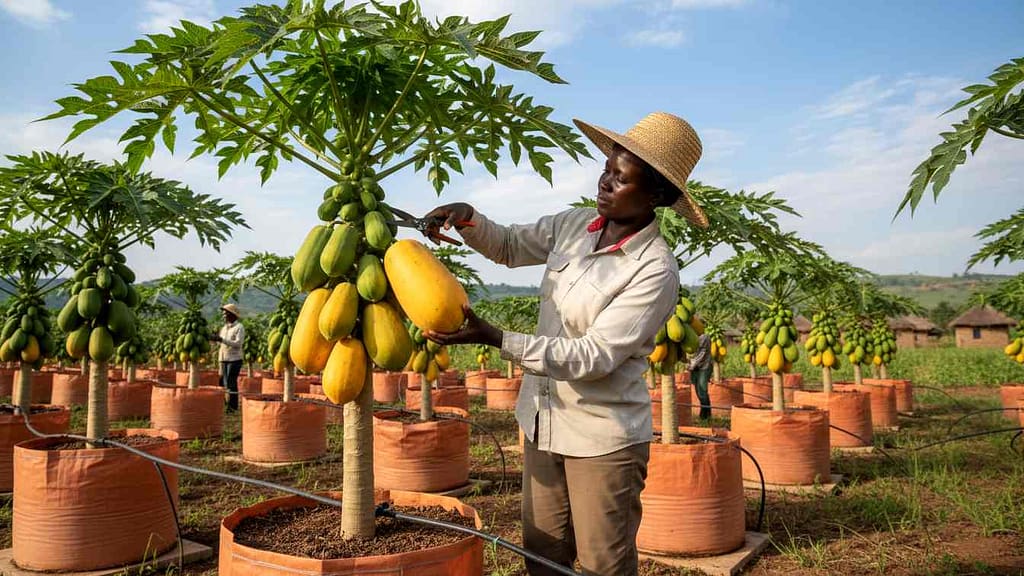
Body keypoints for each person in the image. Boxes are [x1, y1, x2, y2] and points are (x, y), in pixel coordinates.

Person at [422, 112, 706, 576]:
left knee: (602, 565)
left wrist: (497, 338)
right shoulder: (574, 225)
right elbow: (511, 246)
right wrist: (467, 217)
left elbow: (595, 356)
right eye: (607, 170)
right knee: (542, 554)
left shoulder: (655, 269)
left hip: (602, 439)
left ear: (655, 196)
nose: (605, 183)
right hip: (542, 421)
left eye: (621, 178)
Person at [210, 303, 245, 411]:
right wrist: (215, 339)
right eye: (223, 314)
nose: (223, 316)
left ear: (232, 314)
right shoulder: (224, 328)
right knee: (222, 382)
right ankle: (225, 404)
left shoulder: (239, 327)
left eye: (225, 314)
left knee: (231, 382)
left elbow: (238, 343)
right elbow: (221, 344)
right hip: (223, 358)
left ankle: (233, 406)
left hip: (234, 359)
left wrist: (222, 340)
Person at [688, 331, 713, 421]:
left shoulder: (704, 337)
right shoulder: (689, 335)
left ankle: (705, 414)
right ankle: (705, 413)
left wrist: (691, 366)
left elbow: (701, 353)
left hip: (704, 367)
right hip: (695, 367)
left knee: (702, 391)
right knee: (698, 391)